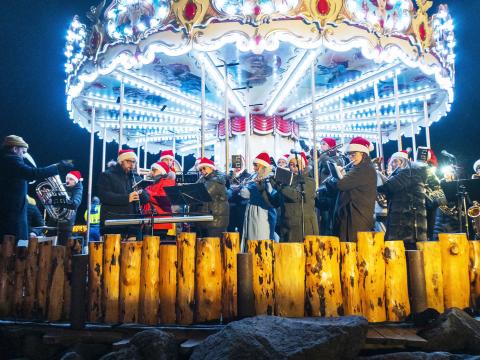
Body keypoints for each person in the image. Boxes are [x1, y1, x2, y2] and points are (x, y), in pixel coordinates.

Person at [0, 135, 72, 242]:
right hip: (12, 219)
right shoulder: (11, 161)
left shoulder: (7, 161)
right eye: (22, 152)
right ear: (15, 149)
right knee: (17, 250)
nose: (23, 155)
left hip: (11, 217)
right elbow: (33, 173)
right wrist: (57, 167)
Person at [327, 137, 376, 242]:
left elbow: (341, 185)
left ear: (363, 154)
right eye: (349, 155)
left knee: (351, 250)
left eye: (353, 155)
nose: (350, 158)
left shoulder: (363, 169)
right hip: (353, 216)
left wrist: (336, 175)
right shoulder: (360, 167)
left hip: (355, 217)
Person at [377, 151, 428, 249]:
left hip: (406, 226)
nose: (392, 165)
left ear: (401, 162)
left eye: (395, 162)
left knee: (404, 253)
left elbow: (387, 187)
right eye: (392, 162)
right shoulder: (411, 173)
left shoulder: (407, 173)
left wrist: (377, 176)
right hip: (408, 226)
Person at [97, 149, 150, 238]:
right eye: (129, 161)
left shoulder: (135, 177)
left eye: (134, 162)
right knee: (114, 251)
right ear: (121, 161)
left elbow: (146, 199)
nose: (132, 164)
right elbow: (104, 196)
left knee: (134, 251)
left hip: (133, 225)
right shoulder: (107, 175)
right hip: (113, 224)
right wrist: (127, 198)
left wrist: (141, 193)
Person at [269, 152, 319, 242]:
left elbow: (296, 196)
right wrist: (261, 188)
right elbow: (273, 202)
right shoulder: (286, 182)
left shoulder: (309, 181)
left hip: (303, 227)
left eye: (297, 164)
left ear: (303, 165)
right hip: (286, 227)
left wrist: (278, 186)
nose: (294, 166)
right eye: (291, 164)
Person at [240, 152, 277, 243]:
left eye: (256, 165)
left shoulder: (269, 178)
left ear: (262, 166)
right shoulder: (256, 176)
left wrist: (247, 187)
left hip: (262, 212)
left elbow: (244, 193)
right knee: (252, 238)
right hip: (253, 210)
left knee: (260, 238)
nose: (254, 168)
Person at [316, 137, 345, 235]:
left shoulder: (337, 159)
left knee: (328, 219)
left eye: (324, 144)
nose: (321, 146)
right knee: (322, 220)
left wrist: (323, 158)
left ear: (330, 146)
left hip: (330, 194)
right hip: (321, 193)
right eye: (321, 144)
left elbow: (334, 169)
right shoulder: (322, 158)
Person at [194, 158, 229, 237]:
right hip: (209, 220)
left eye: (204, 168)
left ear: (211, 168)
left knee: (212, 246)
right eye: (200, 170)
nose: (202, 171)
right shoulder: (205, 179)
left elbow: (203, 194)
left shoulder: (216, 180)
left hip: (215, 221)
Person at [142, 161, 176, 238]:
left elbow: (162, 199)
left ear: (162, 171)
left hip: (161, 220)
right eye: (151, 170)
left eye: (154, 170)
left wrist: (146, 192)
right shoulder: (153, 182)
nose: (152, 172)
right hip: (150, 219)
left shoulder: (168, 182)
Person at [57, 170, 84, 245]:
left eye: (71, 179)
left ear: (76, 181)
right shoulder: (63, 187)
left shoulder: (78, 189)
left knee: (63, 248)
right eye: (67, 179)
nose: (67, 181)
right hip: (55, 220)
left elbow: (75, 204)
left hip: (66, 223)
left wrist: (60, 202)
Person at [226, 163, 251, 236]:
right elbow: (226, 189)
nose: (237, 167)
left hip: (242, 206)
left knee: (242, 229)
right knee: (230, 230)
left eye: (239, 164)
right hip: (230, 207)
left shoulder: (248, 176)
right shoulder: (229, 176)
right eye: (235, 164)